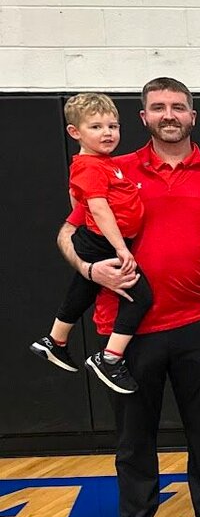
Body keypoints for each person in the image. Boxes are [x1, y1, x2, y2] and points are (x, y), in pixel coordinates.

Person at [53, 78, 200, 517]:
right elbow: (68, 233)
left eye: (178, 106)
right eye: (158, 107)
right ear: (144, 118)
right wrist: (92, 273)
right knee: (134, 443)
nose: (169, 114)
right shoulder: (110, 167)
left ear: (193, 116)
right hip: (128, 332)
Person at [33, 93, 152, 394]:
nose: (108, 133)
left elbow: (78, 199)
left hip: (101, 240)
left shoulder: (105, 164)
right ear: (75, 132)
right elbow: (98, 208)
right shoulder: (90, 165)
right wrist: (121, 248)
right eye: (96, 127)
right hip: (104, 242)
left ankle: (55, 340)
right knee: (139, 296)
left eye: (113, 126)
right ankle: (109, 358)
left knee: (84, 287)